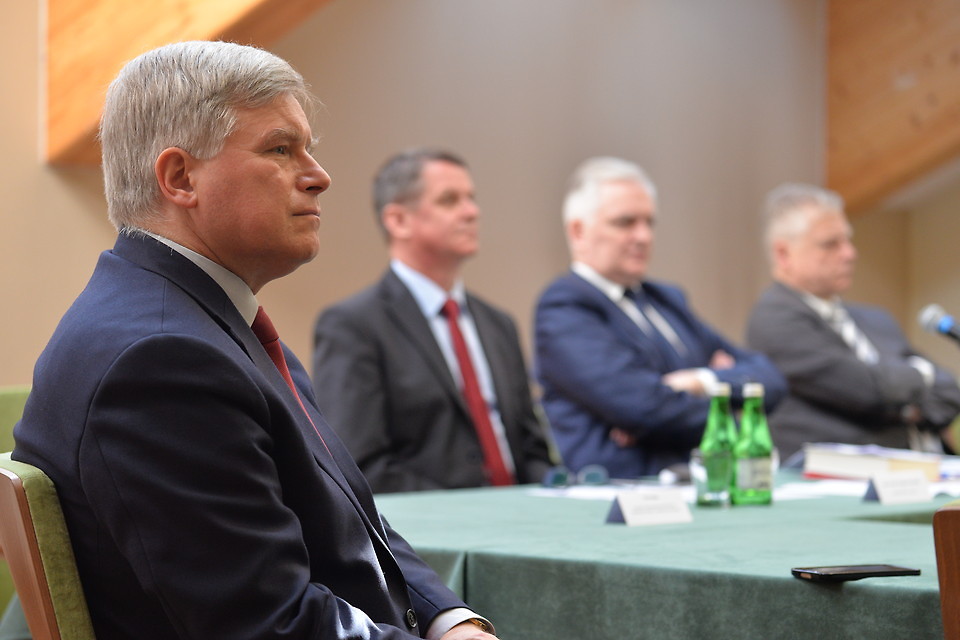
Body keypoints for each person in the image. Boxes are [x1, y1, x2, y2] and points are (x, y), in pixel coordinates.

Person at [11, 41, 497, 640]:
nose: (319, 177)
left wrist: (449, 621)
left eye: (307, 149)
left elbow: (354, 524)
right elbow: (268, 625)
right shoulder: (159, 359)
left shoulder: (203, 325)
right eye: (280, 149)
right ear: (180, 178)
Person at [312, 148, 552, 493]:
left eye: (471, 198)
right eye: (449, 200)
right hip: (427, 524)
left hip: (526, 516)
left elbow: (533, 449)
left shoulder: (499, 324)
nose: (471, 212)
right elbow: (360, 464)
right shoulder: (353, 326)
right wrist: (472, 511)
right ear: (398, 221)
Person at [534, 156, 786, 478]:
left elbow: (769, 378)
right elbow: (644, 407)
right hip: (627, 490)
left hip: (704, 479)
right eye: (625, 222)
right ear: (578, 231)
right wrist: (736, 410)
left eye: (649, 223)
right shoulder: (565, 307)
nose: (643, 236)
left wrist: (699, 382)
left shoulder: (666, 299)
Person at [746, 183, 960, 461]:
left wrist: (905, 398)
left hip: (929, 467)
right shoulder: (775, 319)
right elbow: (869, 392)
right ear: (783, 254)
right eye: (830, 244)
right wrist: (920, 383)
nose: (850, 254)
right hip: (839, 477)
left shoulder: (876, 319)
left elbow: (950, 391)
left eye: (847, 241)